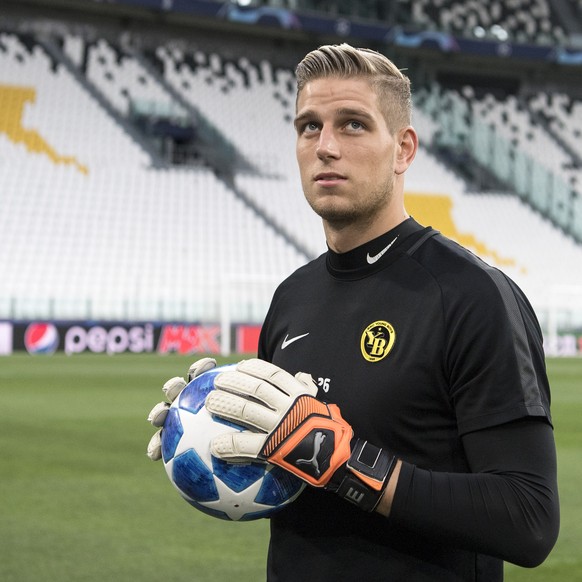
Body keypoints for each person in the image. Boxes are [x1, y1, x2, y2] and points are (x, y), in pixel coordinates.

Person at [148, 43, 559, 581]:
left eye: (353, 125)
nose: (325, 146)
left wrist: (344, 463)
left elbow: (528, 520)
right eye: (309, 126)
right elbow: (291, 475)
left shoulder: (472, 295)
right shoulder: (291, 298)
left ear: (403, 149)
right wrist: (212, 431)